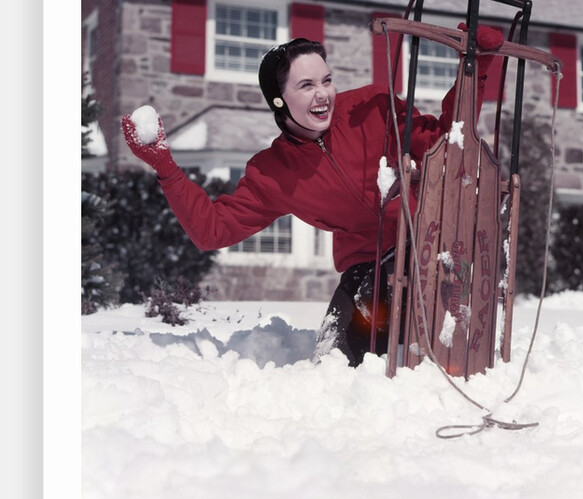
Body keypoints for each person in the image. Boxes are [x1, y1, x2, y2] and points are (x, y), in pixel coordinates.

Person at [121, 29, 503, 366]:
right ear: (279, 100)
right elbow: (212, 231)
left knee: (438, 334)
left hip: (428, 245)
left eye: (326, 80)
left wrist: (476, 71)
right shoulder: (273, 172)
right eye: (306, 86)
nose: (322, 95)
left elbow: (446, 143)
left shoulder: (371, 108)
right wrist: (166, 168)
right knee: (336, 361)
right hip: (369, 268)